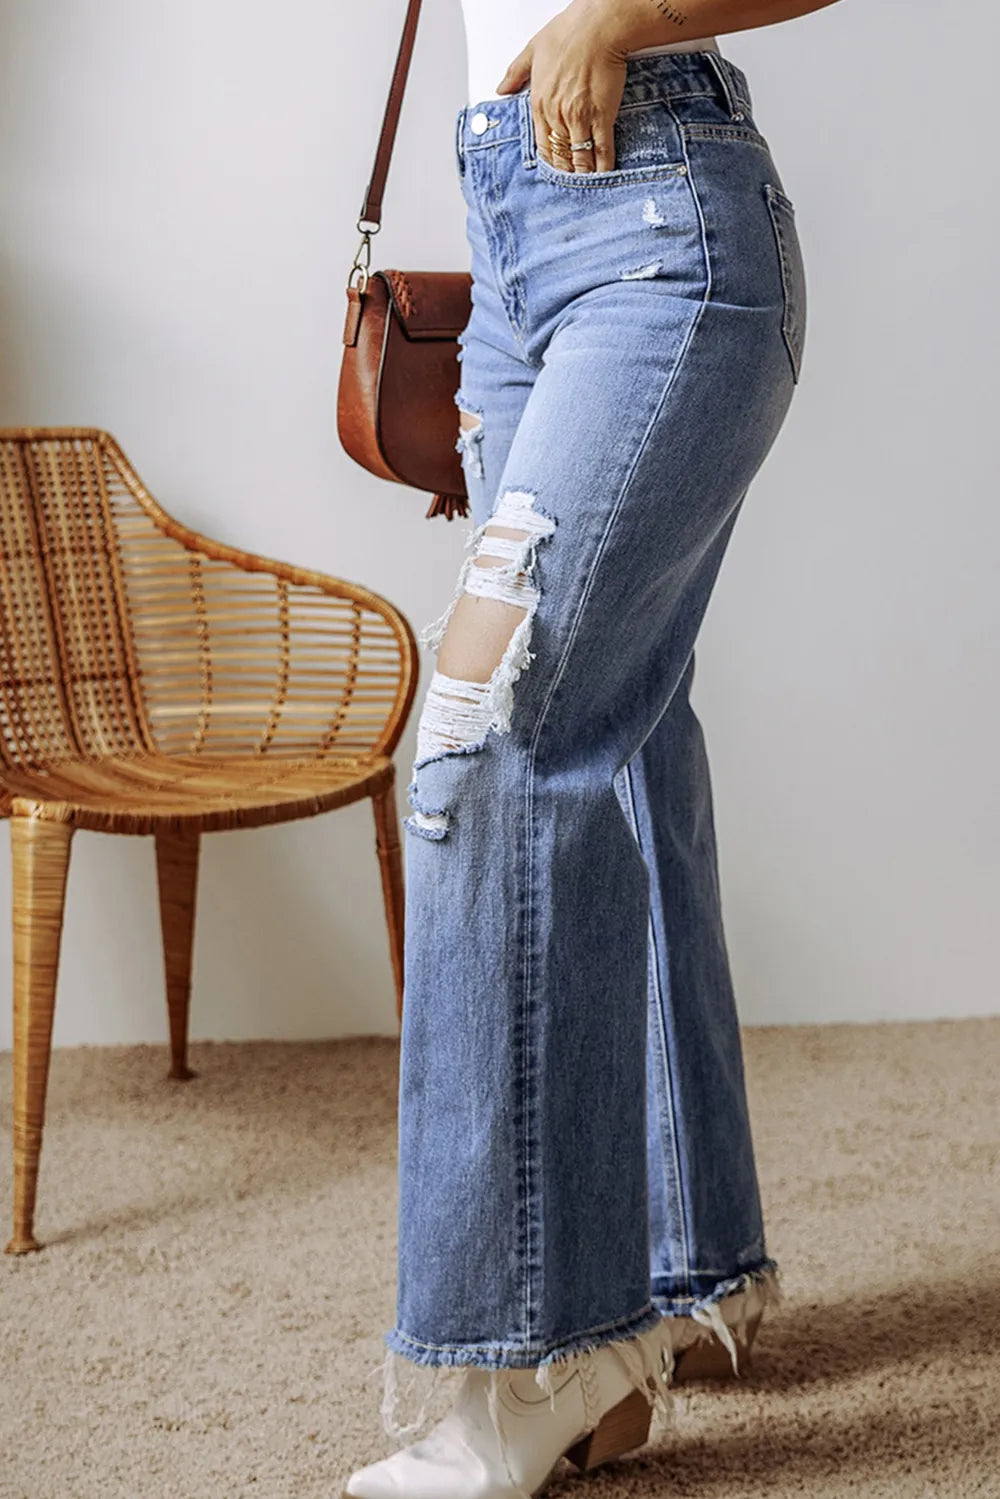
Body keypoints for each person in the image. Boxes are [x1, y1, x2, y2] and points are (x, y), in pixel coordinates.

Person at [345, 0, 826, 1494]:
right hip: (508, 249)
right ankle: (667, 1291)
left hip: (658, 217)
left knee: (486, 740)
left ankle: (532, 1361)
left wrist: (620, 16)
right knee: (617, 739)